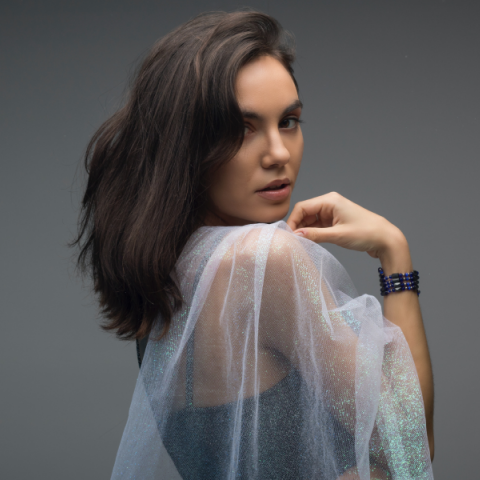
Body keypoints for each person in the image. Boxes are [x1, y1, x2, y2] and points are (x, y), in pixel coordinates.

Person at [70, 10, 434, 479]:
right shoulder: (265, 262)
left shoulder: (164, 270)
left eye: (289, 121)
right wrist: (393, 252)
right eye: (242, 128)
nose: (278, 153)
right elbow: (412, 447)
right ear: (186, 143)